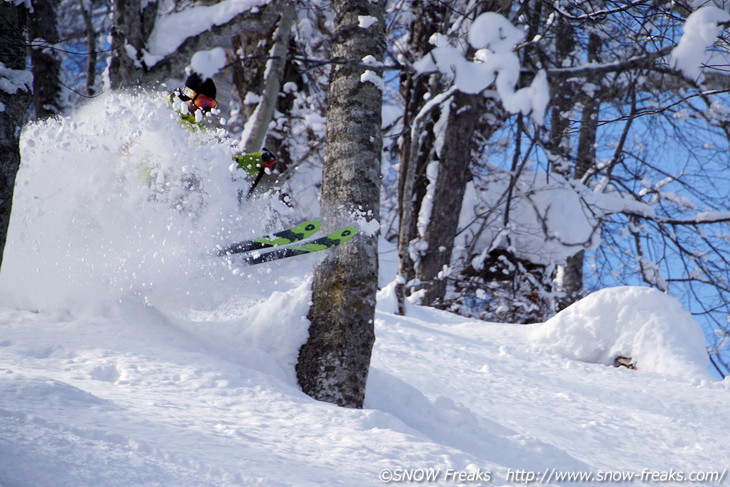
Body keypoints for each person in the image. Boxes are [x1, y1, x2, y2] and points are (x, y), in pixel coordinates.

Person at [170, 72, 281, 182]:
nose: (204, 110)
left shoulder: (199, 133)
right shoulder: (163, 115)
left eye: (210, 106)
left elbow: (220, 166)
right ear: (188, 95)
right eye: (203, 103)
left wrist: (258, 161)